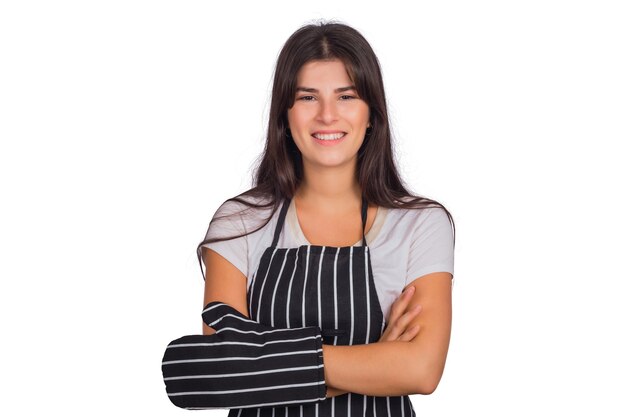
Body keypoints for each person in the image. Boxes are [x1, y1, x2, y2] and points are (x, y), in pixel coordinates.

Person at [171, 20, 455, 416]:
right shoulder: (240, 222)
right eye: (307, 97)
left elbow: (422, 370)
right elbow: (221, 375)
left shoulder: (420, 224)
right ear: (284, 115)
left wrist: (269, 363)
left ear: (371, 113)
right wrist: (378, 361)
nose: (326, 115)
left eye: (346, 96)